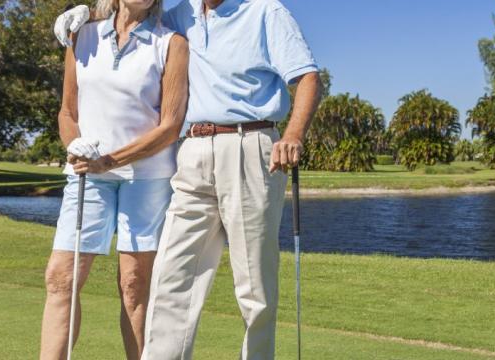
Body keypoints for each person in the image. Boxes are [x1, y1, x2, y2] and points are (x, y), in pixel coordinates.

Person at [54, 0, 321, 358]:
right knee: (170, 279)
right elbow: (130, 16)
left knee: (253, 287)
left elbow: (307, 77)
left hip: (249, 145)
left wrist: (293, 136)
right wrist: (85, 13)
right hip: (192, 152)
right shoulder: (183, 15)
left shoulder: (265, 11)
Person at [41, 1, 188, 359]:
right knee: (61, 277)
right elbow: (67, 111)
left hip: (147, 178)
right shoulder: (83, 34)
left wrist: (110, 160)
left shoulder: (170, 43)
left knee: (134, 285)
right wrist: (73, 144)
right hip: (87, 174)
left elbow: (170, 126)